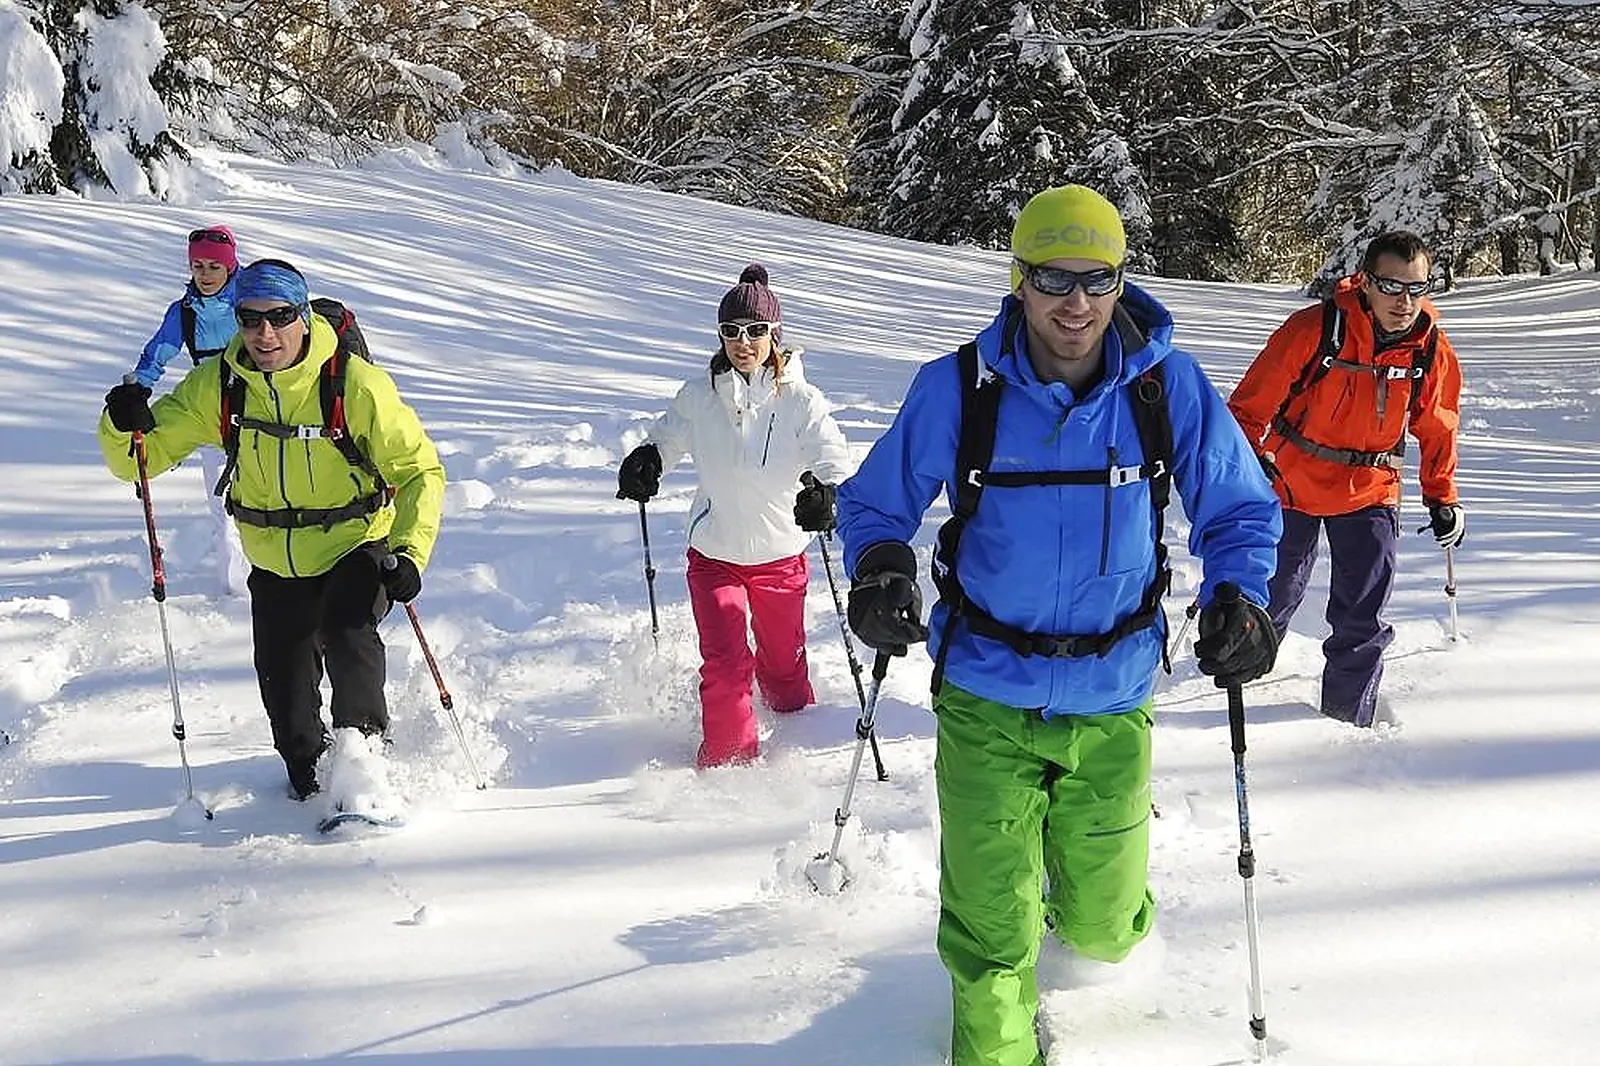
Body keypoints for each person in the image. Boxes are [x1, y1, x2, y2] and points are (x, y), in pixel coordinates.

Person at [834, 185, 1283, 1066]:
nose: (1075, 303)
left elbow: (1238, 508)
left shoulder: (1165, 387)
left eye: (1096, 279)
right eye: (1052, 279)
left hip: (1112, 698)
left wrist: (1242, 595)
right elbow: (875, 503)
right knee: (990, 933)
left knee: (1103, 927)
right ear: (1019, 279)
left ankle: (1076, 907)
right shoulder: (959, 388)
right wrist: (881, 567)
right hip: (985, 694)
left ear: (1120, 280)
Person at [98, 258, 446, 802]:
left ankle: (363, 762)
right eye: (250, 319)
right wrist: (122, 424)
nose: (265, 333)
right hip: (273, 562)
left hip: (355, 543)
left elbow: (419, 469)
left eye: (280, 317)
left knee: (348, 630)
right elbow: (139, 460)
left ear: (302, 317)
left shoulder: (353, 383)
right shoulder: (221, 384)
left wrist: (408, 552)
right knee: (288, 703)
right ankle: (311, 774)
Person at [616, 264, 852, 769]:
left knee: (783, 673)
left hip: (780, 556)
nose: (743, 342)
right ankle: (726, 771)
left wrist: (828, 491)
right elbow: (668, 436)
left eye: (755, 330)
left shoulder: (801, 401)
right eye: (731, 330)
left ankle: (795, 738)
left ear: (775, 333)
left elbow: (831, 454)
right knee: (725, 665)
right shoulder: (699, 396)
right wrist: (648, 460)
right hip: (715, 553)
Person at [1227, 230, 1463, 727]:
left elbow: (1438, 425)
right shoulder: (1314, 330)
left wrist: (1442, 497)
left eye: (1416, 288)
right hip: (1292, 480)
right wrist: (1250, 463)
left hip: (1370, 488)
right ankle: (1243, 681)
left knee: (1361, 613)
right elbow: (1247, 408)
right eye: (1391, 286)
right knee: (1274, 592)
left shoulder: (1429, 348)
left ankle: (1344, 724)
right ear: (1366, 282)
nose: (1404, 302)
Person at [129, 224, 250, 596]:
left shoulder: (249, 300)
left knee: (263, 499)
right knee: (221, 506)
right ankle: (235, 591)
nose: (205, 275)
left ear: (230, 267)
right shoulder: (184, 312)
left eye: (214, 267)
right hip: (210, 415)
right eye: (198, 266)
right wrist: (135, 392)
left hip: (259, 411)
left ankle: (272, 578)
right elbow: (157, 354)